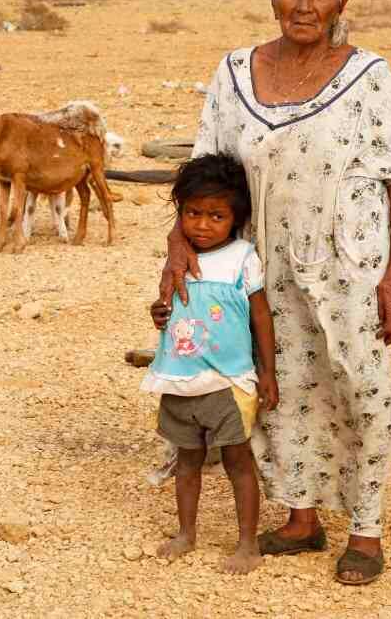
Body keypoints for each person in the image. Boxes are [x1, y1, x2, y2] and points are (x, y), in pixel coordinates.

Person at [156, 0, 391, 586]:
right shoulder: (234, 72)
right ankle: (302, 518)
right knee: (279, 385)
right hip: (256, 264)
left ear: (340, 2)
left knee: (359, 385)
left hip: (346, 264)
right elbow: (202, 170)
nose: (304, 4)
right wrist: (176, 245)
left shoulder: (369, 77)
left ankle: (366, 528)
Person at [144, 153, 279, 575]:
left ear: (236, 218)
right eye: (193, 213)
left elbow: (261, 317)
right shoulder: (178, 259)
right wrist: (159, 314)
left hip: (228, 381)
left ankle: (247, 544)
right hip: (180, 379)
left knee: (238, 462)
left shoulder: (242, 258)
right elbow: (171, 308)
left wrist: (268, 373)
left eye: (216, 216)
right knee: (187, 462)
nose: (202, 225)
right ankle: (186, 534)